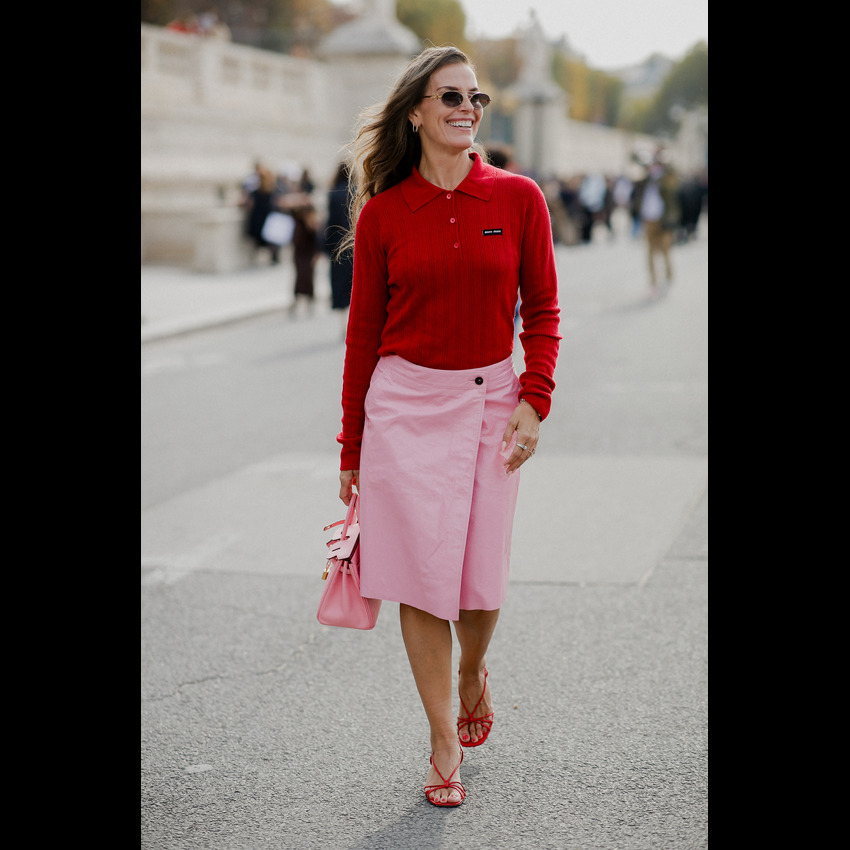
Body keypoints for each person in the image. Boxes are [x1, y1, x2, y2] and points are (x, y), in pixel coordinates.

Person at [335, 46, 560, 807]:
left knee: (479, 580)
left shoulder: (519, 198)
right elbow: (362, 337)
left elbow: (544, 310)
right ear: (416, 114)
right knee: (421, 578)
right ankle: (441, 740)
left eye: (476, 97)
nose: (469, 108)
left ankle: (471, 671)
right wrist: (351, 447)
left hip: (492, 398)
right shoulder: (384, 215)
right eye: (452, 96)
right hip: (403, 407)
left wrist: (534, 400)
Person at [631, 151, 680, 294]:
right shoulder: (646, 181)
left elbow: (673, 186)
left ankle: (669, 276)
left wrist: (665, 167)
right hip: (648, 219)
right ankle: (653, 281)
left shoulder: (667, 179)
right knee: (650, 252)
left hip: (663, 220)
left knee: (665, 250)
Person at [324, 162, 355, 339]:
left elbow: (330, 224)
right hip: (357, 245)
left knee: (340, 288)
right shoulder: (358, 190)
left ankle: (344, 325)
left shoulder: (334, 193)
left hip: (338, 246)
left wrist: (326, 247)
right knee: (356, 286)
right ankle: (354, 323)